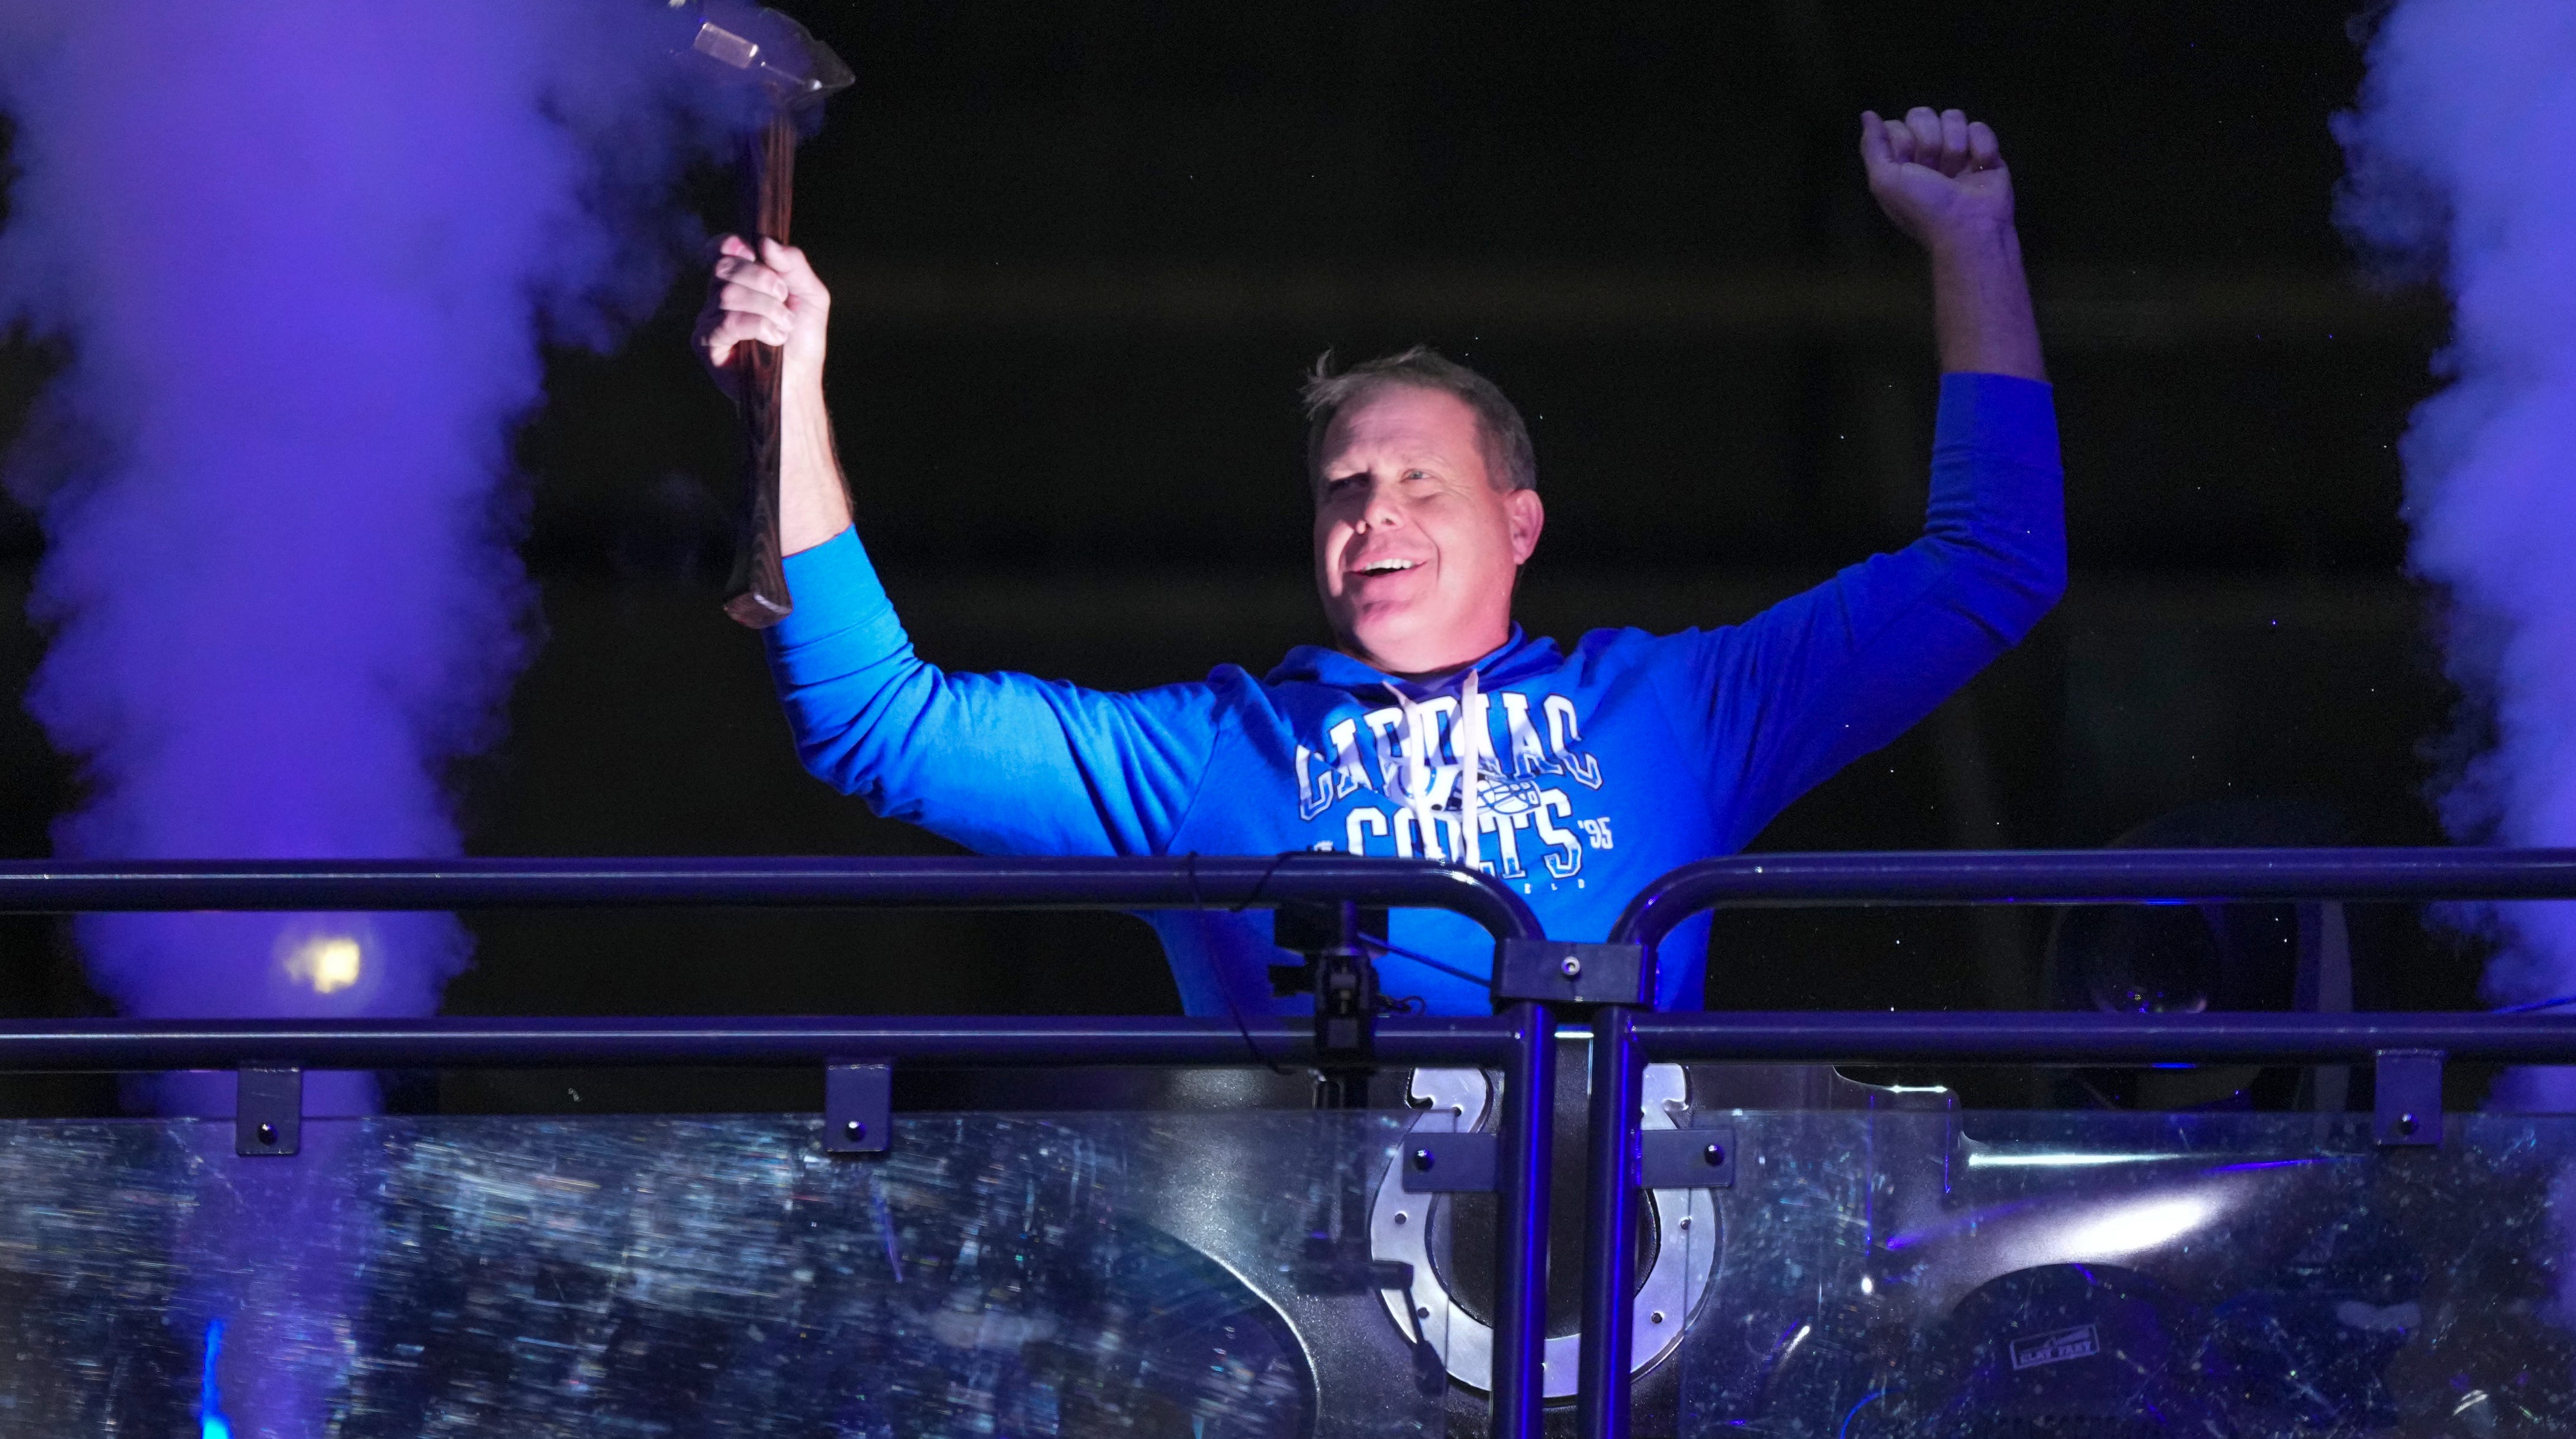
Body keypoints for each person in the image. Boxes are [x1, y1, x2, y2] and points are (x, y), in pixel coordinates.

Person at [695, 108, 2064, 1013]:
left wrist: (1973, 243)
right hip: (1313, 1336)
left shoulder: (1680, 717)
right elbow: (879, 722)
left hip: (1628, 1330)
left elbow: (1994, 561)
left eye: (1421, 481)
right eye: (1346, 488)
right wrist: (799, 382)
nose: (1376, 513)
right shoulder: (1207, 759)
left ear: (1521, 526)